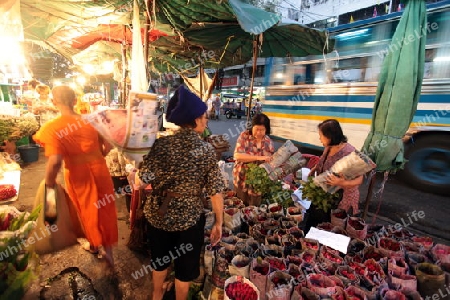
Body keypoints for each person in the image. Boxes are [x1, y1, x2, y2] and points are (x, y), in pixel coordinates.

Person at [138, 85, 224, 300]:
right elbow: (215, 191)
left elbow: (142, 182)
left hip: (158, 215)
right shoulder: (205, 150)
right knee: (184, 272)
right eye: (204, 117)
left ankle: (156, 295)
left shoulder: (160, 144)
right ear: (194, 119)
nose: (206, 121)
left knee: (160, 263)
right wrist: (219, 222)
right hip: (189, 220)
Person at [33, 85, 118, 269]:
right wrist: (96, 157)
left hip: (78, 175)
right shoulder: (92, 121)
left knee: (86, 210)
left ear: (54, 102)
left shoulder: (52, 128)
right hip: (100, 170)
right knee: (105, 208)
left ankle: (95, 245)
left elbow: (55, 161)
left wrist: (49, 185)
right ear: (74, 101)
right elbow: (109, 147)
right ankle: (109, 252)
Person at [307, 119, 363, 228]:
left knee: (333, 228)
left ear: (330, 136)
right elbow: (323, 161)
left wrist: (341, 182)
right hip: (326, 192)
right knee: (315, 221)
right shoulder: (329, 147)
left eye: (321, 136)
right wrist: (314, 169)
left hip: (342, 199)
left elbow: (359, 180)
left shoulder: (349, 153)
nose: (319, 138)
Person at [233, 113, 274, 206]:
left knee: (254, 208)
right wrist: (259, 158)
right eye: (256, 129)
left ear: (266, 129)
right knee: (239, 204)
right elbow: (237, 155)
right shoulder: (244, 136)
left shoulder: (269, 142)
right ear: (252, 127)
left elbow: (270, 162)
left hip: (257, 183)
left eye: (262, 130)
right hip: (242, 179)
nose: (259, 132)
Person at [105, 147, 132, 220]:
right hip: (125, 174)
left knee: (119, 194)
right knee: (127, 194)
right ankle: (129, 214)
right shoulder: (123, 148)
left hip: (114, 175)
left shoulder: (108, 150)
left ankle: (126, 214)